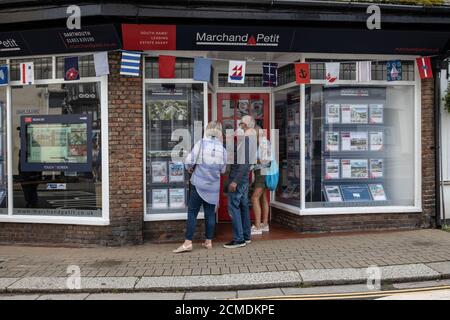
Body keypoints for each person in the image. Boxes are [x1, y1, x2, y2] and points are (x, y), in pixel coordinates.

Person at [173, 121, 227, 253]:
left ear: (207, 129)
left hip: (199, 185)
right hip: (213, 187)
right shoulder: (223, 149)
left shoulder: (201, 143)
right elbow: (223, 170)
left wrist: (189, 168)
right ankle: (208, 241)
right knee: (210, 214)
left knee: (192, 212)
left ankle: (187, 243)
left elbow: (189, 161)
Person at [223, 115, 254, 249]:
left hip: (239, 179)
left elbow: (244, 163)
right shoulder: (250, 139)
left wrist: (235, 181)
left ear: (245, 125)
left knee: (234, 207)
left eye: (241, 123)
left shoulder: (246, 140)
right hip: (244, 178)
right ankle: (246, 236)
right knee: (243, 206)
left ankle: (239, 239)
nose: (239, 125)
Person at [250, 125, 271, 235]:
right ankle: (265, 224)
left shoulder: (262, 144)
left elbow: (264, 160)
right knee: (263, 198)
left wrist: (251, 160)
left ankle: (258, 226)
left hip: (262, 172)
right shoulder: (265, 142)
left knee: (254, 198)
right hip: (264, 172)